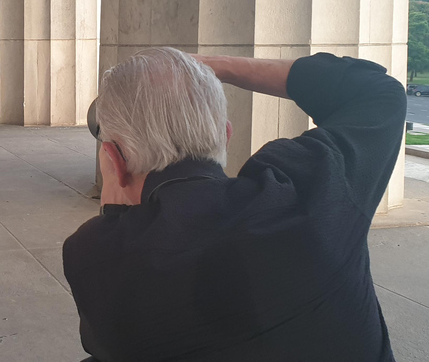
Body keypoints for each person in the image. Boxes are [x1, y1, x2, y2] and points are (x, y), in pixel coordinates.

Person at [63, 48, 406, 362]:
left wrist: (113, 214)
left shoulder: (92, 254)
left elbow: (110, 344)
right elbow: (378, 91)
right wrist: (218, 66)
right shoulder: (306, 191)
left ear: (114, 161)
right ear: (226, 134)